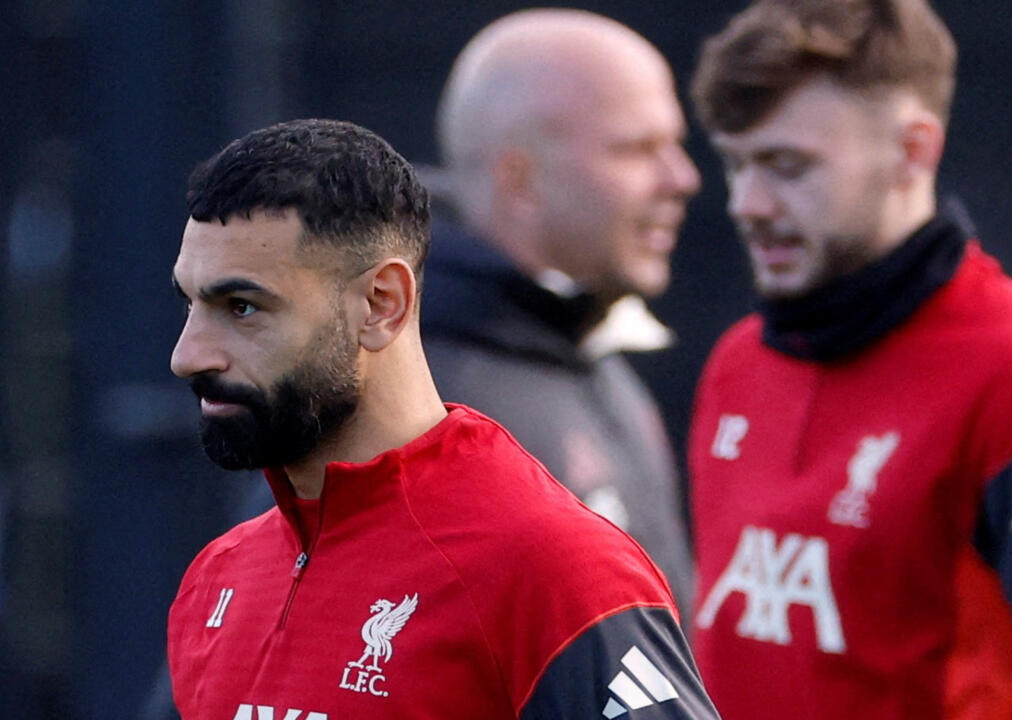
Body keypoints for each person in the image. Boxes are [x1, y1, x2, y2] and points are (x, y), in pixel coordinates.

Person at [166, 118, 719, 719]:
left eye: (242, 307)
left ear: (382, 304)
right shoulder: (218, 578)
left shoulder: (554, 571)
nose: (187, 356)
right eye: (190, 304)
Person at [684, 1, 1012, 718]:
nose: (746, 204)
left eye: (786, 166)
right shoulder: (738, 363)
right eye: (735, 163)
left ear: (912, 151)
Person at [425, 8, 702, 616]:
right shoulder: (409, 403)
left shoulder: (581, 346)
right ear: (519, 179)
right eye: (637, 149)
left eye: (675, 144)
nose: (681, 178)